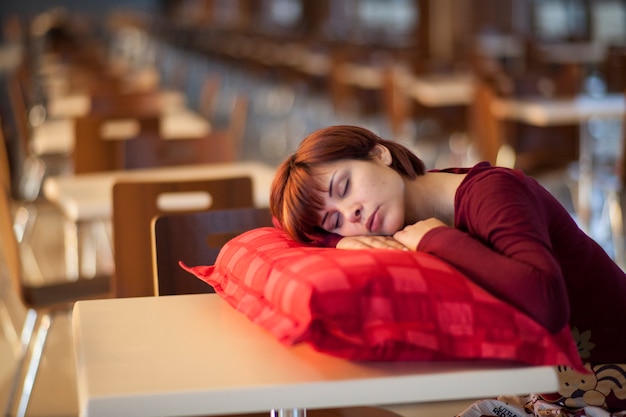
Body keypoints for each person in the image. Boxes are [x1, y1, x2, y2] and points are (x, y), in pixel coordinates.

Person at [270, 124, 626, 364]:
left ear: (380, 154)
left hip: (610, 369)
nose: (353, 214)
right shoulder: (402, 209)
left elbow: (547, 303)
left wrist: (435, 239)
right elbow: (294, 230)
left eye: (344, 187)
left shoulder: (492, 193)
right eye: (336, 220)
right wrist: (339, 244)